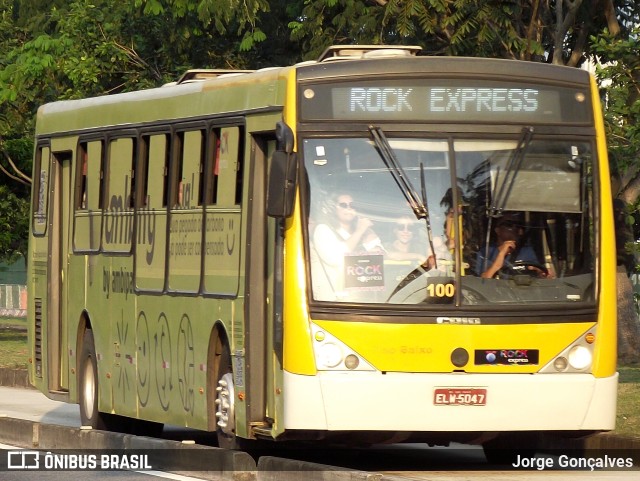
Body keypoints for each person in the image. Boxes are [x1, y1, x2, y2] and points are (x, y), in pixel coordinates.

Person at [310, 193, 384, 299]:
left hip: (362, 298)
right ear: (334, 209)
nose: (349, 208)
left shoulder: (364, 231)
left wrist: (369, 235)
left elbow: (381, 255)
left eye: (352, 205)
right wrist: (360, 231)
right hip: (331, 301)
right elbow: (336, 258)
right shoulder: (323, 230)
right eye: (344, 205)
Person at [476, 213, 548, 279]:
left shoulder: (527, 251)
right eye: (509, 224)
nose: (514, 228)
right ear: (497, 230)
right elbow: (484, 281)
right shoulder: (486, 253)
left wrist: (540, 272)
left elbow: (539, 273)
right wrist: (502, 254)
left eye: (517, 225)